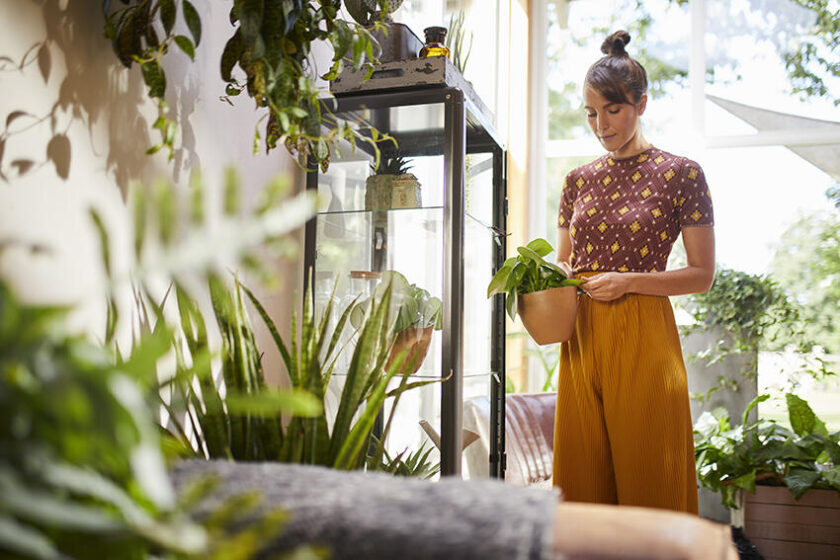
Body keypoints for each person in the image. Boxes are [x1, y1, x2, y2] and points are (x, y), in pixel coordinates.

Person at [552, 30, 715, 514]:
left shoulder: (682, 173)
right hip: (579, 336)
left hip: (646, 334)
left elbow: (701, 274)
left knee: (651, 476)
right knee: (582, 480)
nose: (600, 125)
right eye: (591, 113)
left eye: (613, 110)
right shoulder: (576, 181)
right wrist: (540, 278)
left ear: (641, 104)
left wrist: (628, 281)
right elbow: (564, 262)